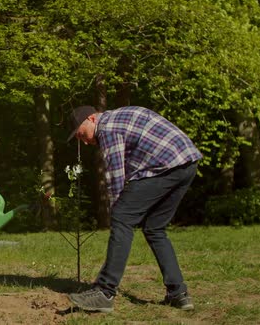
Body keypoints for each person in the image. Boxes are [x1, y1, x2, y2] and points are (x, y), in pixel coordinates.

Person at [66, 105, 202, 312]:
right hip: (186, 163)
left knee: (122, 216)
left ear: (91, 119)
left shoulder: (107, 128)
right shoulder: (119, 117)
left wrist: (117, 211)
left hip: (164, 166)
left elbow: (116, 177)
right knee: (155, 228)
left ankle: (105, 291)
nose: (84, 142)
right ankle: (179, 293)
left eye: (81, 134)